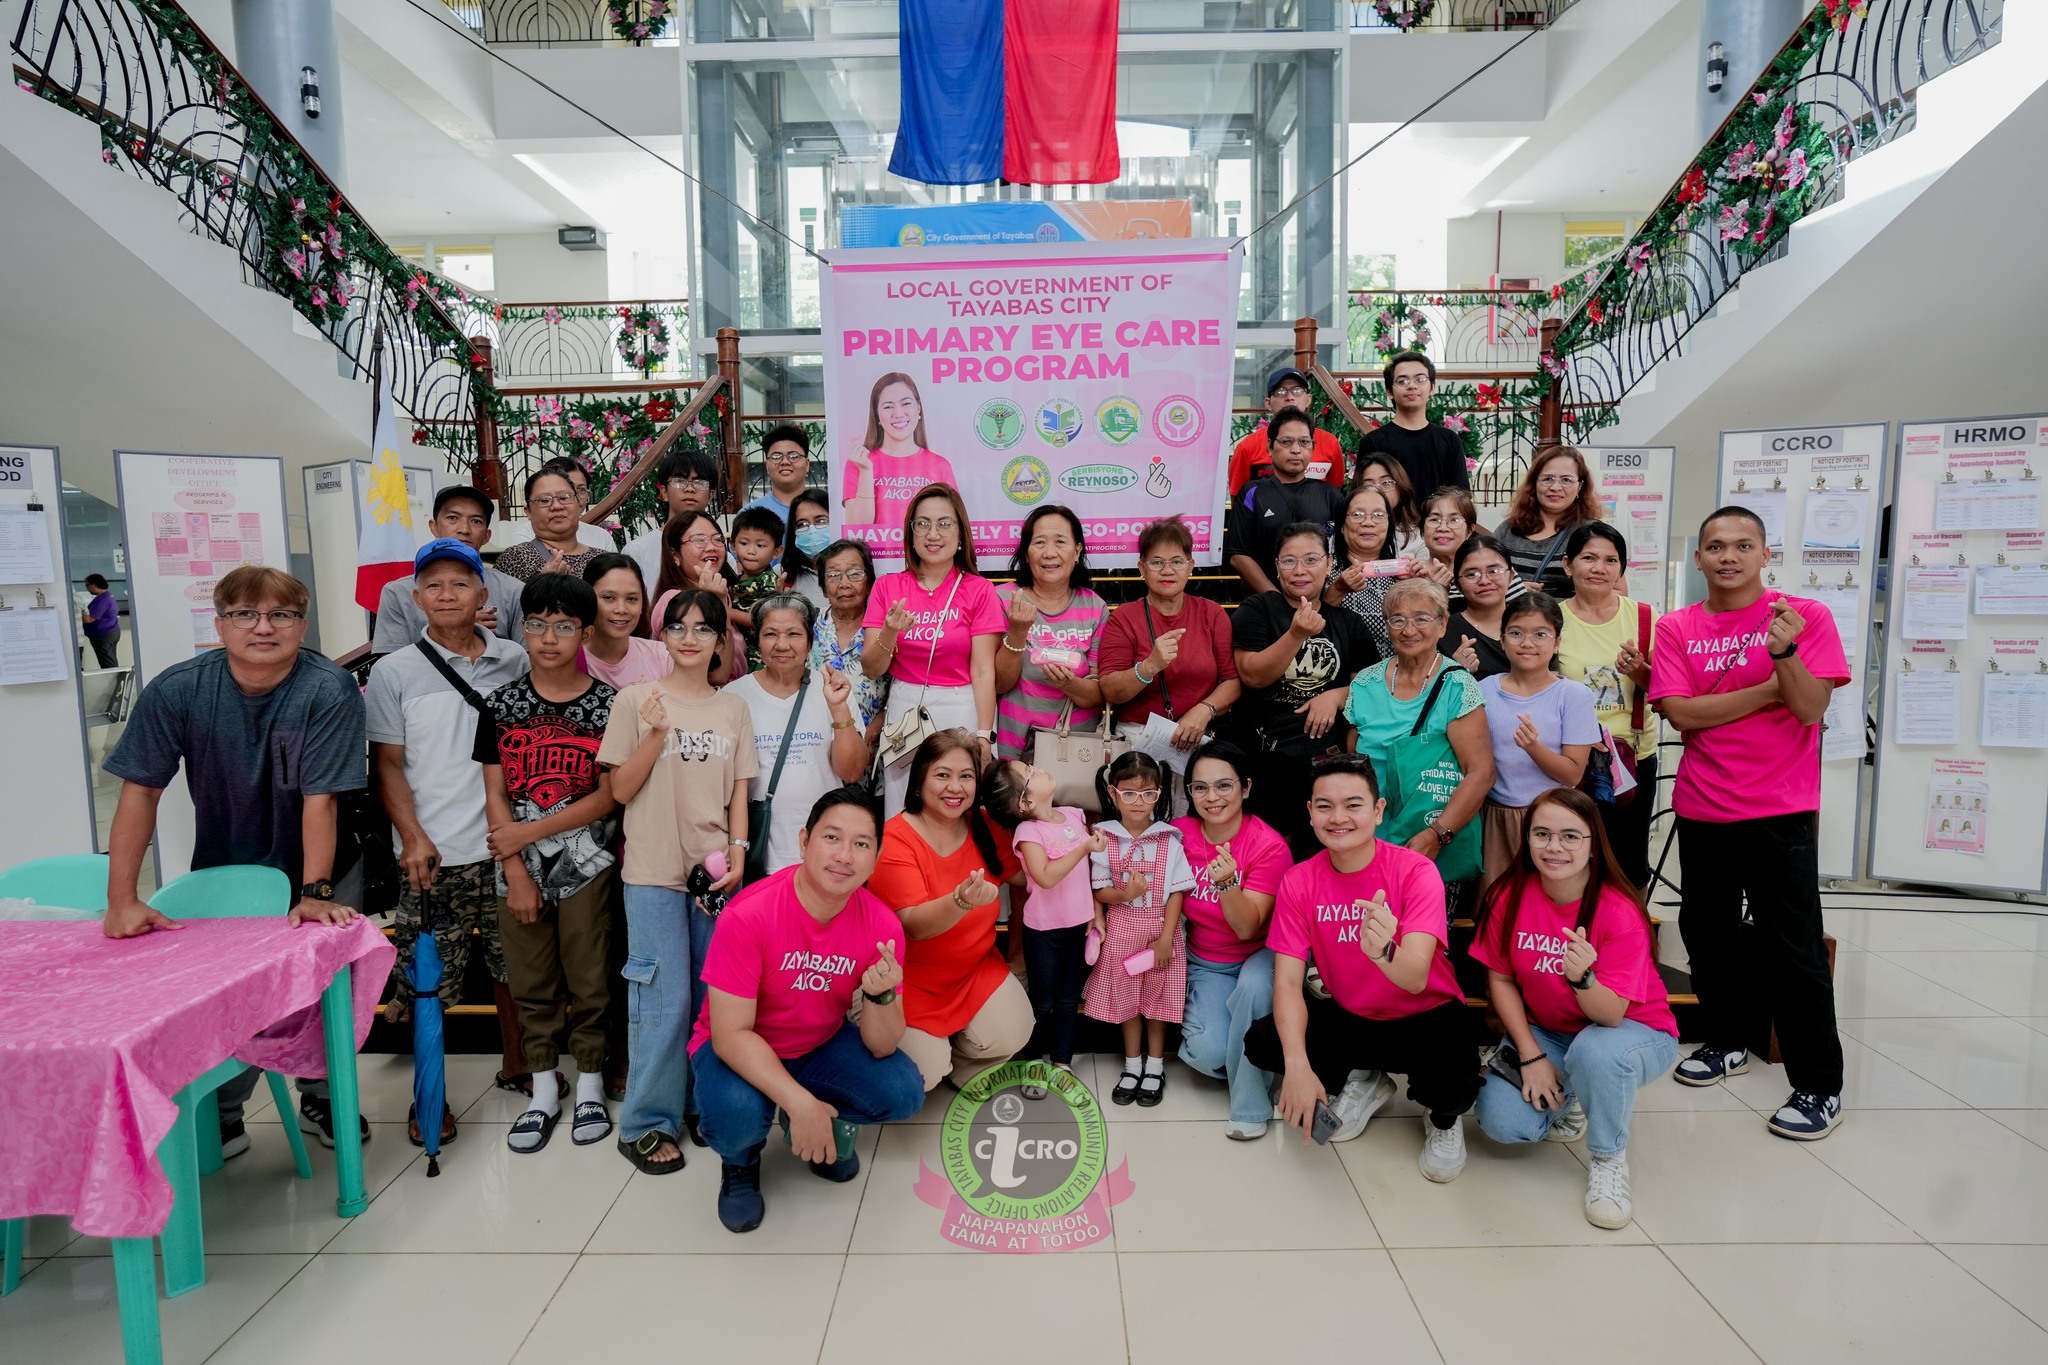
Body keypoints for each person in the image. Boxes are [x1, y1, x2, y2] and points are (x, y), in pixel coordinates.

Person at [101, 565, 366, 1156]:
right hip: (226, 865)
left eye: (281, 615)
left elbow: (319, 799)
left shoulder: (328, 688)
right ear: (219, 625)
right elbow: (140, 790)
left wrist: (316, 892)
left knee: (322, 990)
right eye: (245, 614)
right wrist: (121, 898)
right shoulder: (179, 689)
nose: (263, 628)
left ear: (302, 624)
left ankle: (325, 1096)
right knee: (229, 996)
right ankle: (222, 1112)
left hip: (321, 865)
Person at [1650, 507, 1850, 1140]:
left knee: (1792, 945)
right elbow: (1682, 714)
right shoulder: (1680, 627)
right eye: (1715, 546)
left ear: (1766, 553)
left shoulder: (1801, 618)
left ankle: (1818, 1085)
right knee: (1706, 933)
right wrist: (1767, 690)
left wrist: (1784, 656)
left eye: (1742, 545)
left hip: (1780, 807)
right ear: (1700, 557)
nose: (1728, 556)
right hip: (1704, 802)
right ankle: (1726, 1040)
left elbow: (1811, 705)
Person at [690, 788, 925, 1233]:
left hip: (817, 1043)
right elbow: (730, 1035)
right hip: (739, 1049)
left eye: (861, 844)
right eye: (832, 837)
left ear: (875, 859)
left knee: (903, 1092)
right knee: (736, 1117)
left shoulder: (881, 924)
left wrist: (881, 996)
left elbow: (881, 1044)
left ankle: (824, 1122)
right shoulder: (749, 914)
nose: (845, 856)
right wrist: (802, 1105)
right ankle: (740, 1162)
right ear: (803, 842)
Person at [1242, 756, 1481, 1178]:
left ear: (1377, 810)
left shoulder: (1415, 871)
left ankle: (1443, 1122)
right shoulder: (1299, 880)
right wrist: (1297, 1067)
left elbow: (1415, 978)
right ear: (1310, 813)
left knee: (1453, 1080)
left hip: (1425, 1016)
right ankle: (1366, 1078)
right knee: (1264, 1041)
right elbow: (1288, 983)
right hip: (1353, 1014)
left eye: (1353, 805)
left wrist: (1384, 950)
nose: (1338, 818)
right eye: (1325, 806)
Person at [367, 538, 532, 1144]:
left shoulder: (516, 659)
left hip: (507, 845)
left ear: (483, 594)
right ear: (416, 599)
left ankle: (518, 1066)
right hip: (433, 854)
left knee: (516, 970)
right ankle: (427, 1101)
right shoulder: (394, 671)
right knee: (427, 979)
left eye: (459, 583)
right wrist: (411, 837)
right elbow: (386, 764)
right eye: (432, 585)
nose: (446, 594)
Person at [597, 588, 755, 1174]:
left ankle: (696, 1104)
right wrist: (657, 734)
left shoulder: (732, 707)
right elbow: (617, 791)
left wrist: (738, 854)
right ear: (662, 637)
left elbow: (740, 790)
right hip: (652, 875)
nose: (690, 637)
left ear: (721, 640)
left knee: (712, 1002)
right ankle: (645, 1122)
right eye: (678, 626)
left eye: (703, 627)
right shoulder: (637, 700)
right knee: (662, 1002)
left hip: (713, 877)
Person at [1471, 789, 1678, 1230]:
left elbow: (1609, 1016)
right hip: (1548, 1031)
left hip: (1630, 1033)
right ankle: (1574, 1100)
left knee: (1595, 1053)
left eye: (1570, 836)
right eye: (1542, 834)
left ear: (1591, 843)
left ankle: (1608, 1159)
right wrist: (1530, 1055)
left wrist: (1583, 978)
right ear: (1526, 840)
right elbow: (1501, 980)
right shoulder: (1508, 895)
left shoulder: (1619, 911)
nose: (1554, 847)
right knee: (1500, 1122)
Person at [475, 573, 620, 1153]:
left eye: (564, 626)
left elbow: (609, 795)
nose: (549, 638)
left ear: (585, 632)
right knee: (531, 979)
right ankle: (542, 1087)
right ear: (522, 630)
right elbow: (493, 791)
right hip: (516, 868)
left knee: (589, 976)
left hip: (588, 864)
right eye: (536, 625)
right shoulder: (501, 704)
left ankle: (588, 1080)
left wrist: (527, 832)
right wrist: (514, 868)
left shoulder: (609, 704)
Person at [865, 731, 1032, 1092]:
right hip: (911, 980)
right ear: (920, 780)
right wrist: (961, 902)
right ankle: (933, 1054)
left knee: (1014, 1029)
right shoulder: (895, 838)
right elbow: (915, 926)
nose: (955, 787)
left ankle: (959, 1062)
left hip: (973, 971)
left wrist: (1051, 823)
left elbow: (1029, 877)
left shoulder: (984, 827)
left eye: (966, 776)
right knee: (922, 1072)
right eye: (942, 775)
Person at [1231, 522, 1378, 856]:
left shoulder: (1348, 622)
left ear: (1329, 563)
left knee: (1324, 847)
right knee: (1272, 849)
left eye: (1311, 560)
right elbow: (1252, 675)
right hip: (1268, 758)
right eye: (1288, 561)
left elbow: (1370, 683)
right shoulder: (1259, 610)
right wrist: (1296, 634)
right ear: (1276, 567)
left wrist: (1335, 696)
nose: (1300, 570)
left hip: (1327, 758)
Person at [1172, 741, 1291, 1139]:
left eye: (1224, 786)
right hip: (1205, 962)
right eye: (1200, 787)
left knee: (1255, 986)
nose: (1212, 797)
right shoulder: (1180, 833)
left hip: (1260, 954)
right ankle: (1259, 1062)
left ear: (1246, 788)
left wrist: (1226, 884)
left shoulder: (1268, 846)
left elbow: (1246, 927)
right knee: (1208, 1056)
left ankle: (1250, 1109)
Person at [861, 485, 1003, 813]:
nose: (933, 533)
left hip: (962, 706)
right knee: (903, 805)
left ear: (961, 533)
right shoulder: (888, 586)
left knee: (959, 803)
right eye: (922, 524)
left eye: (944, 523)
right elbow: (871, 667)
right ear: (910, 534)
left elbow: (983, 670)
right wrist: (890, 631)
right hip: (906, 706)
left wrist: (984, 735)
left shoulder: (979, 590)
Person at [1344, 579, 1494, 886]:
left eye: (1421, 618)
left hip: (1428, 832)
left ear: (1442, 625)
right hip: (1369, 836)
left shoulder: (1457, 685)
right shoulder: (1365, 683)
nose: (1408, 630)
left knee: (1421, 929)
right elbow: (1353, 764)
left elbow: (1480, 772)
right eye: (1397, 619)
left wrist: (1436, 835)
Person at [981, 760, 1106, 1095]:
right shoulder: (1028, 833)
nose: (1038, 768)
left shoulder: (1074, 815)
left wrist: (1095, 911)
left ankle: (1062, 1062)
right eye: (1029, 773)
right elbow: (1045, 877)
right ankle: (1033, 1061)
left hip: (1078, 925)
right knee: (1041, 1000)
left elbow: (1088, 877)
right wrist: (1083, 847)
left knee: (1068, 1001)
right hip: (1044, 931)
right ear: (1024, 803)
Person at [724, 594, 869, 875]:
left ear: (809, 641)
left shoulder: (832, 689)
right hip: (759, 852)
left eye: (793, 634)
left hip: (825, 854)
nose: (782, 645)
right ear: (757, 641)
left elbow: (851, 771)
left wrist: (838, 709)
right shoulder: (734, 696)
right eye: (770, 634)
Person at [1086, 753, 1196, 1106]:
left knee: (1158, 998)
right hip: (1121, 929)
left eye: (1148, 794)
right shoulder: (1104, 838)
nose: (1139, 802)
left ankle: (1155, 1066)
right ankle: (1132, 1065)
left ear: (1159, 794)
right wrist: (1126, 893)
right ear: (1113, 792)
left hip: (1160, 930)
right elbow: (1099, 890)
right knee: (1128, 999)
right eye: (1129, 793)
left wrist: (1167, 938)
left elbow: (1178, 890)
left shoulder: (1169, 839)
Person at [1556, 521, 1659, 885]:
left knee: (1628, 864)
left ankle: (1627, 938)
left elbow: (1666, 694)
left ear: (1621, 568)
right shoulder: (1552, 619)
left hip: (1631, 759)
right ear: (1568, 565)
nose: (1599, 568)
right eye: (1589, 558)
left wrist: (1640, 671)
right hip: (1570, 761)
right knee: (1569, 860)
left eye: (1610, 560)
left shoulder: (1645, 618)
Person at [1476, 592, 1598, 881]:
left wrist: (1533, 748)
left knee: (1548, 901)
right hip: (1494, 817)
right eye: (1516, 633)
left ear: (1557, 642)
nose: (1527, 643)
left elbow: (1572, 774)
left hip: (1553, 819)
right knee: (1496, 902)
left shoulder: (1574, 695)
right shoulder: (1482, 690)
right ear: (1502, 639)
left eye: (1541, 634)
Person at [1099, 516, 1239, 749]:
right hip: (1139, 739)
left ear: (1190, 567)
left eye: (1176, 562)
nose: (1167, 570)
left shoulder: (1211, 613)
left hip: (1201, 734)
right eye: (1156, 562)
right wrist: (1149, 666)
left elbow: (1231, 681)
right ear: (1142, 568)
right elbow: (1110, 690)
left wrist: (1204, 710)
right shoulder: (1123, 618)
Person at [995, 505, 1108, 760]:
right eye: (1039, 542)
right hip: (1013, 749)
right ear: (1026, 552)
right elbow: (998, 684)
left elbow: (1099, 693)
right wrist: (1018, 631)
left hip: (1076, 752)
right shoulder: (1003, 599)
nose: (1049, 553)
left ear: (1077, 551)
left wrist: (1070, 684)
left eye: (1060, 542)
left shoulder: (1095, 607)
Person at [371, 485, 524, 650]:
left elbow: (526, 662)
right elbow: (391, 667)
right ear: (433, 526)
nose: (464, 529)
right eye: (452, 518)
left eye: (476, 521)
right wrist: (456, 630)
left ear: (487, 535)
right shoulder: (397, 593)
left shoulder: (513, 590)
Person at [1223, 408, 1349, 595]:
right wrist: (1276, 601)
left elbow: (1346, 549)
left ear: (1312, 447)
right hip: (1267, 604)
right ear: (1270, 447)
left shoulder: (1330, 495)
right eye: (1286, 442)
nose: (1296, 449)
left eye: (1304, 442)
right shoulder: (1252, 493)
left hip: (1320, 604)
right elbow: (1238, 555)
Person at [841, 372, 957, 535]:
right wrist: (866, 471)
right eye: (888, 406)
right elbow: (857, 530)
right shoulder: (859, 463)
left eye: (906, 404)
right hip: (877, 559)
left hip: (925, 558)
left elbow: (951, 526)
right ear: (877, 416)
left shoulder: (940, 465)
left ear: (918, 409)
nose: (898, 413)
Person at [1356, 351, 1470, 495]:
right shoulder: (1373, 442)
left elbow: (1461, 497)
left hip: (1437, 518)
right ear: (1389, 391)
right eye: (1402, 381)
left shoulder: (1449, 440)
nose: (1411, 386)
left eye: (1420, 379)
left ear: (1432, 388)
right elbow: (1365, 495)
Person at [1325, 484, 1419, 658]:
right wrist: (1337, 590)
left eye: (1378, 515)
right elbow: (1312, 621)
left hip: (1396, 676)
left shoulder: (1404, 571)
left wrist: (1421, 587)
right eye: (1358, 515)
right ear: (1342, 525)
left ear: (1389, 525)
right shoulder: (1324, 568)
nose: (1368, 523)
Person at [1494, 447, 1600, 599]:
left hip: (1570, 621)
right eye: (1547, 479)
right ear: (1534, 483)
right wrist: (1512, 588)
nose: (1555, 487)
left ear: (1580, 487)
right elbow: (1485, 577)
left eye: (1566, 480)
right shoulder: (1508, 529)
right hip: (1516, 619)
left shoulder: (1593, 533)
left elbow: (1618, 592)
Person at [810, 538, 888, 738]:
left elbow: (899, 687)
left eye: (854, 574)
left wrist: (875, 729)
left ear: (870, 584)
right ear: (824, 589)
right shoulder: (807, 628)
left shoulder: (887, 629)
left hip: (873, 743)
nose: (844, 584)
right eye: (834, 576)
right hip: (819, 741)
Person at [1226, 368, 1346, 493]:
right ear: (1268, 403)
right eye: (1280, 391)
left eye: (1297, 391)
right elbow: (1239, 499)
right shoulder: (1247, 447)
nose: (1290, 397)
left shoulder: (1330, 442)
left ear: (1308, 399)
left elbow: (1334, 493)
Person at [623, 448, 721, 589]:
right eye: (680, 481)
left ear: (710, 495)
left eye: (699, 482)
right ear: (664, 492)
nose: (689, 488)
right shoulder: (637, 551)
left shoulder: (717, 553)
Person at [580, 552, 672, 689]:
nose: (621, 609)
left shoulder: (664, 656)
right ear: (587, 598)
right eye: (609, 597)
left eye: (632, 599)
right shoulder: (566, 661)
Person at [497, 468, 602, 582]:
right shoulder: (516, 558)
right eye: (544, 500)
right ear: (528, 511)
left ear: (578, 503)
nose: (557, 506)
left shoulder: (600, 558)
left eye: (564, 497)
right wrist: (544, 584)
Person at [1444, 535, 1518, 679]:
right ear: (1457, 585)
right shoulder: (1444, 632)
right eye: (1471, 574)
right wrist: (1455, 672)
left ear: (1511, 576)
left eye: (1494, 571)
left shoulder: (1531, 622)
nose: (1484, 581)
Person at [728, 505, 787, 668]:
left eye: (760, 545)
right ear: (733, 545)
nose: (751, 551)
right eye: (744, 543)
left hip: (759, 659)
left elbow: (762, 620)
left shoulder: (769, 582)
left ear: (776, 552)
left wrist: (729, 613)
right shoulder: (735, 577)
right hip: (737, 652)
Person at [538, 455, 620, 553]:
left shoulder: (601, 537)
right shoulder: (525, 537)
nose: (576, 496)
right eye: (567, 489)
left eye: (581, 490)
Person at [741, 422, 813, 527]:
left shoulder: (826, 508)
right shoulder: (750, 514)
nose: (785, 462)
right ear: (767, 466)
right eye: (776, 456)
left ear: (807, 464)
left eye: (793, 456)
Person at [1353, 453, 1422, 557]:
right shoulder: (1346, 530)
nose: (1378, 490)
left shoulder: (1418, 536)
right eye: (1369, 485)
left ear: (1401, 489)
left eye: (1386, 483)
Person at [777, 489, 834, 610]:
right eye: (802, 524)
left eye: (821, 520)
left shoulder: (858, 572)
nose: (812, 529)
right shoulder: (781, 573)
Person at [81, 573, 120, 668]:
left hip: (103, 635)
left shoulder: (102, 600)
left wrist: (77, 612)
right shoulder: (107, 596)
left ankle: (113, 682)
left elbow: (89, 619)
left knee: (108, 664)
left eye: (87, 585)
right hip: (109, 632)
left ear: (94, 584)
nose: (87, 588)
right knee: (109, 660)